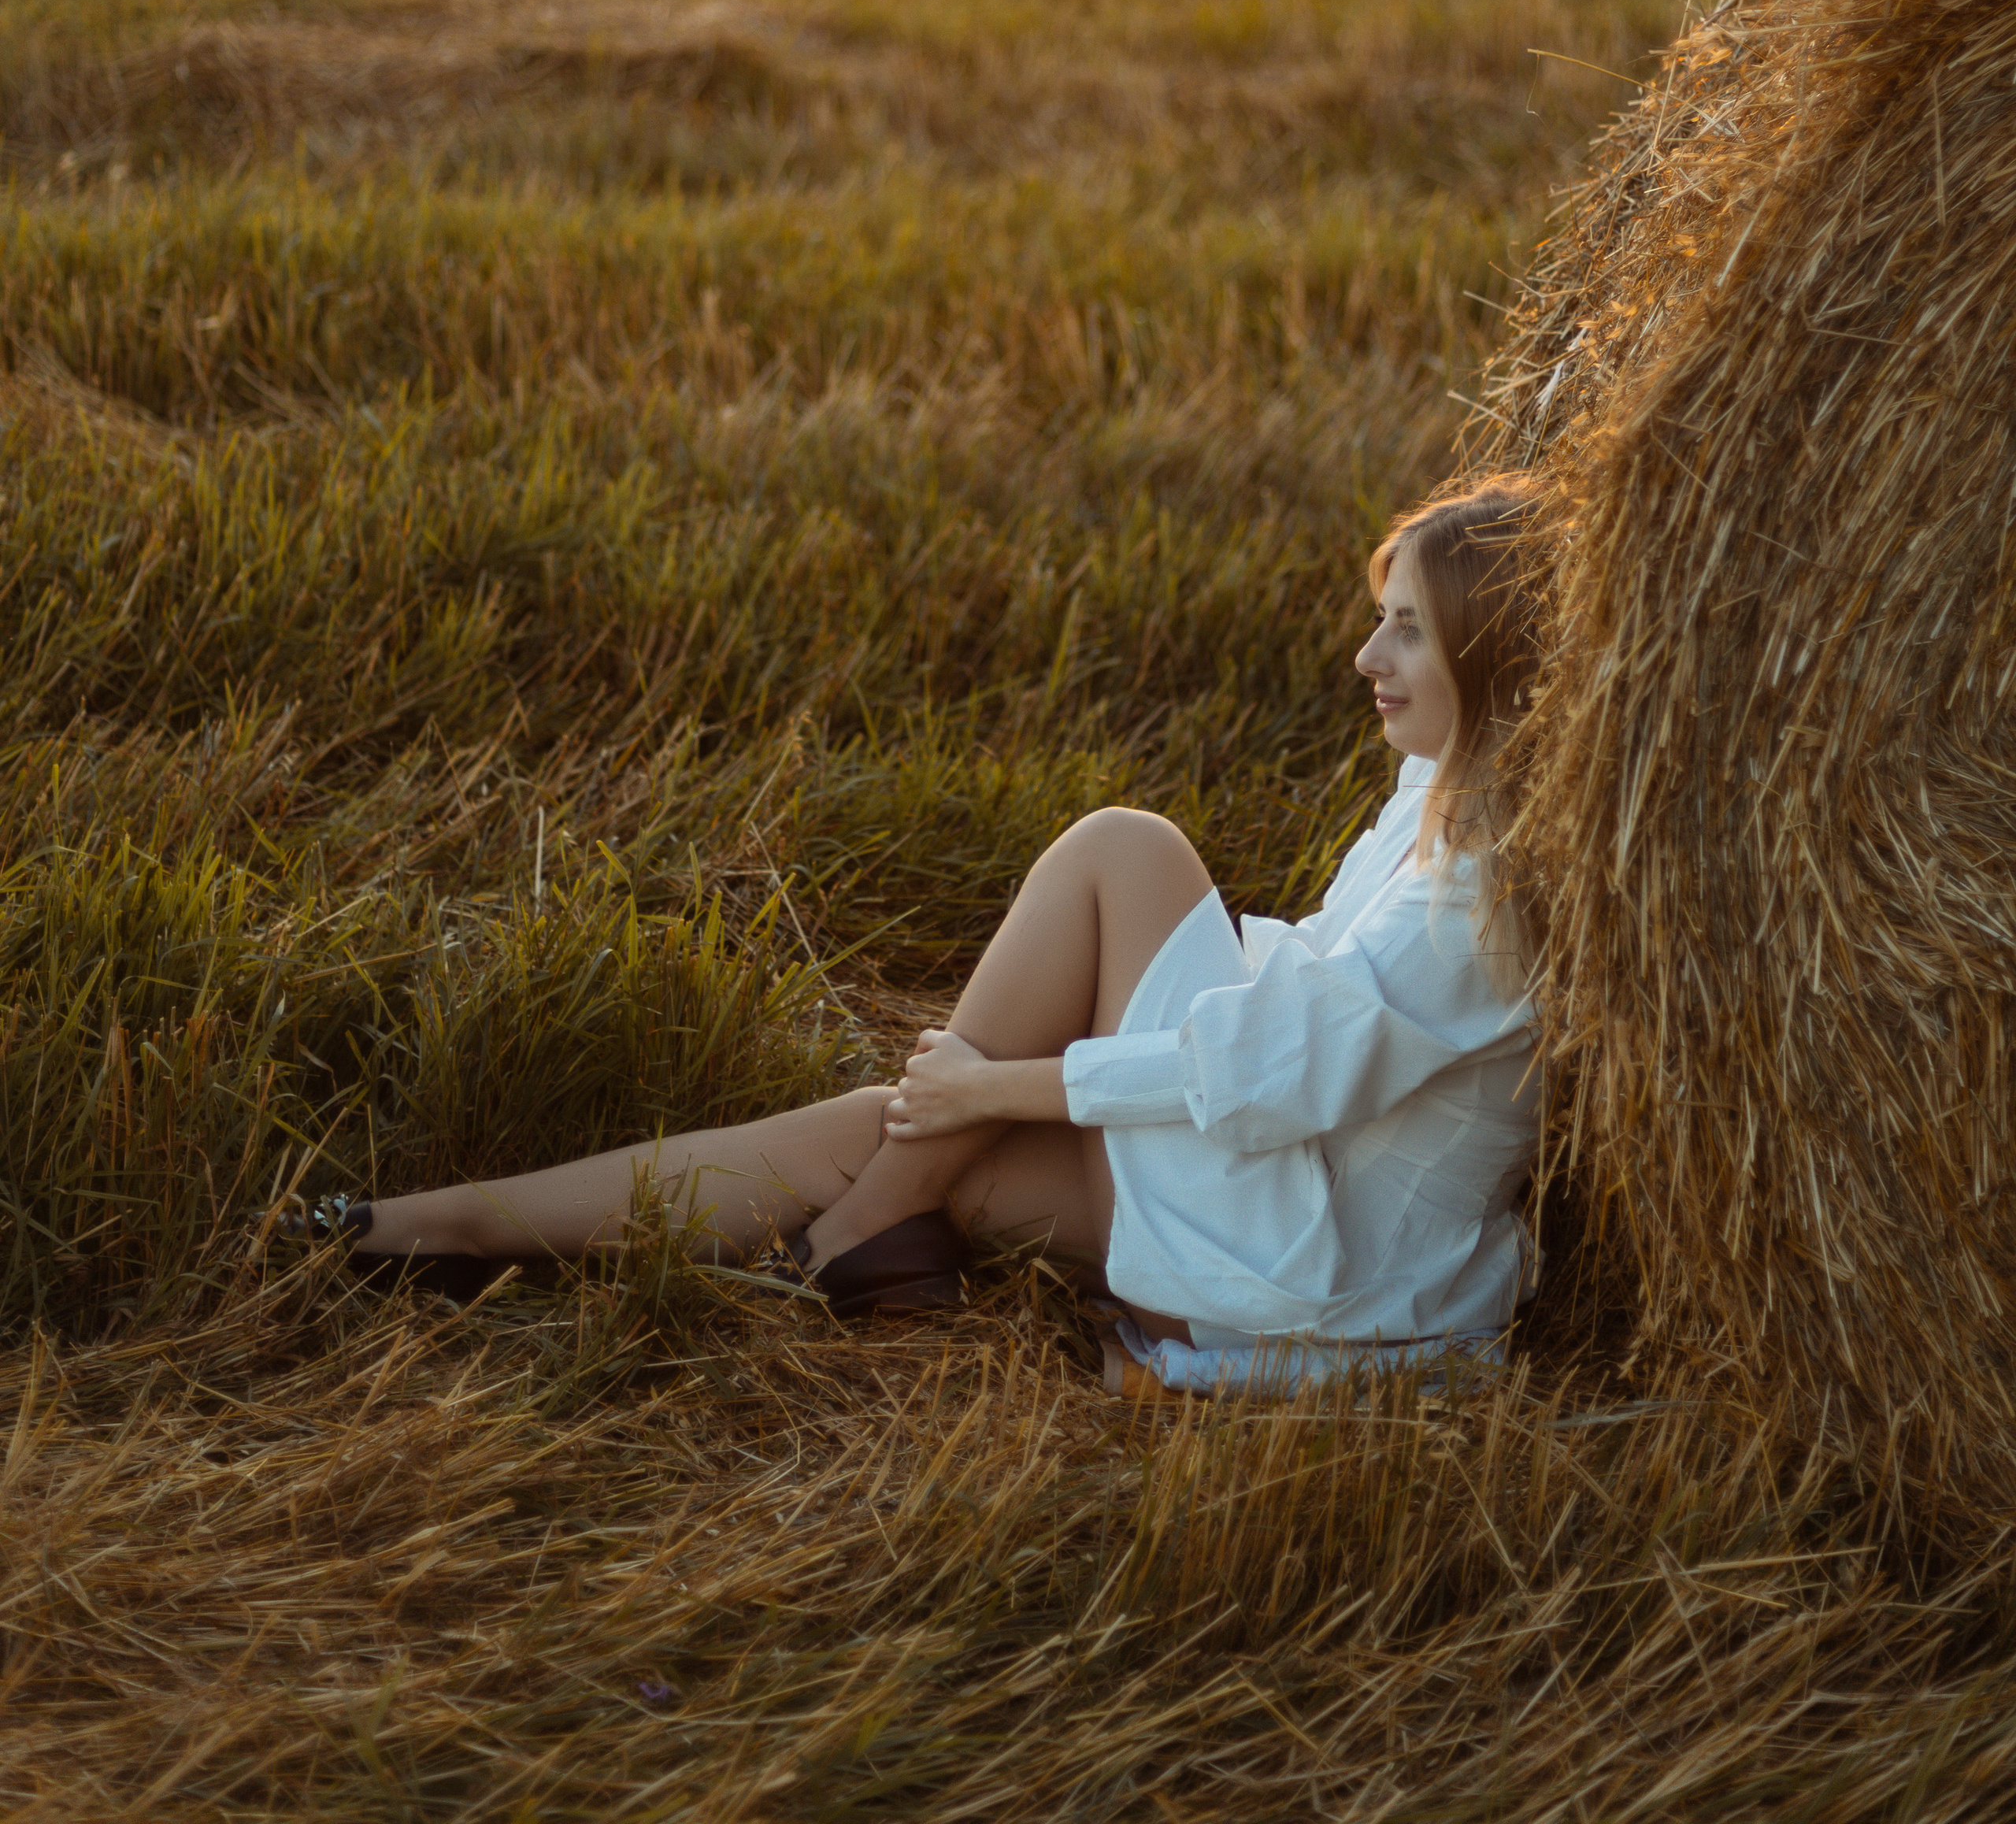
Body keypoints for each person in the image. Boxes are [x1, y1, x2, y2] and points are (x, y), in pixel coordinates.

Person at [314, 477, 1546, 1380]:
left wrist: (993, 1086)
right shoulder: (1431, 813)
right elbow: (1306, 1025)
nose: (1362, 654)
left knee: (1125, 848)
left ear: (1489, 657)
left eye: (1407, 630)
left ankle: (859, 1232)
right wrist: (978, 1100)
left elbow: (1275, 1074)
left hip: (1311, 1275)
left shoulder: (1490, 892)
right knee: (882, 1131)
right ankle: (445, 1231)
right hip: (1276, 1222)